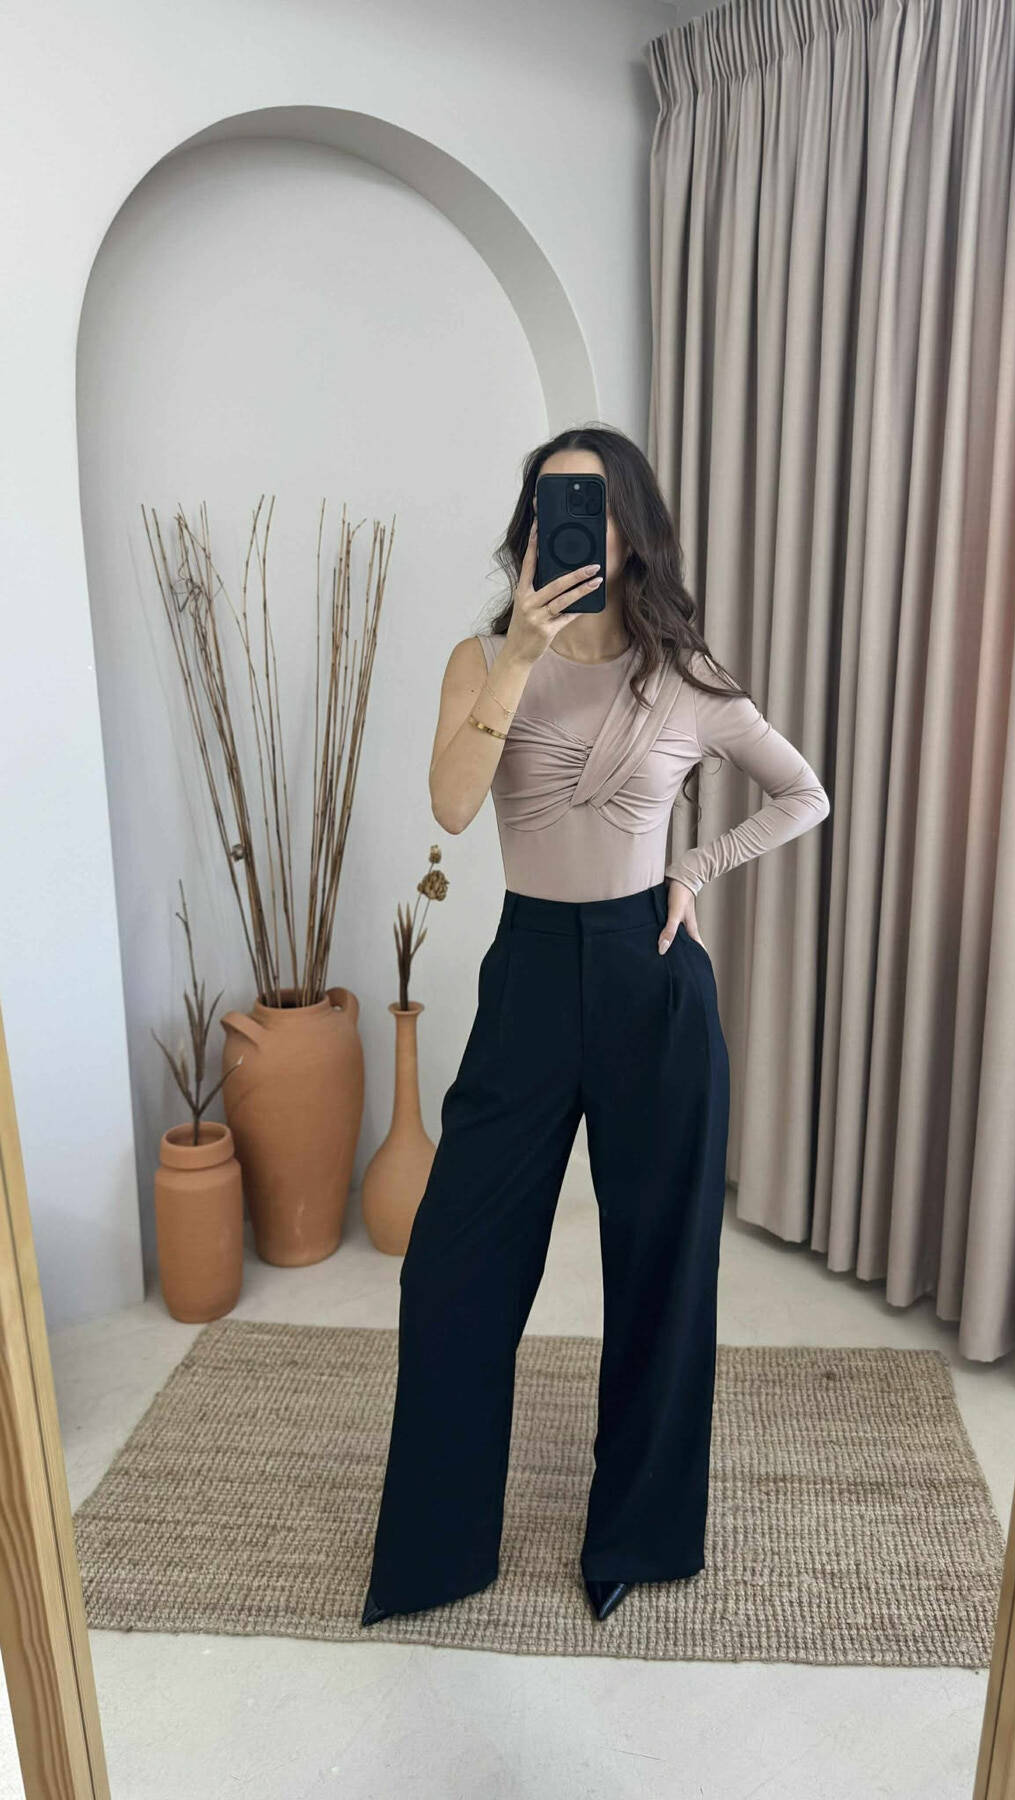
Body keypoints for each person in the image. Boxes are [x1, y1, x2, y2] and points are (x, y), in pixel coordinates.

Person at [361, 424, 830, 1628]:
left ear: (631, 533)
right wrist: (521, 655)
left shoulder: (684, 676)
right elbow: (451, 809)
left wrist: (696, 869)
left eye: (593, 505)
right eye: (548, 502)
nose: (567, 524)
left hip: (650, 982)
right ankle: (437, 1550)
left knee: (663, 1269)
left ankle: (639, 1538)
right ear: (531, 525)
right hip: (527, 976)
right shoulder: (481, 660)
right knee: (455, 1268)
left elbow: (803, 792)